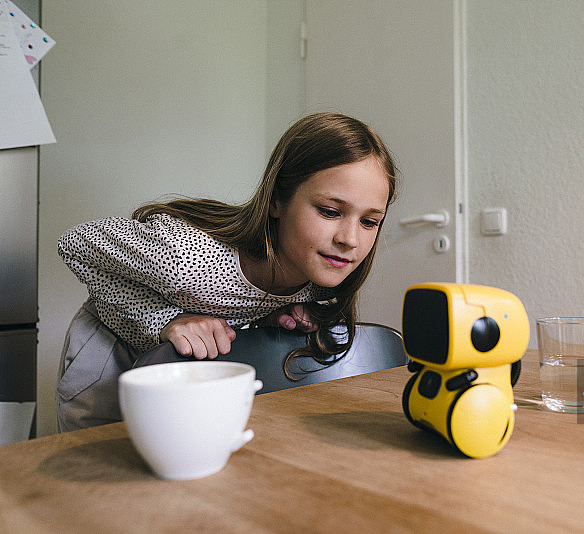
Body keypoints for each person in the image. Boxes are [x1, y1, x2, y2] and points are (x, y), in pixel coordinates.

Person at [56, 112, 398, 432]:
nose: (349, 239)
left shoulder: (320, 274)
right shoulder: (186, 260)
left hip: (185, 368)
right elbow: (73, 244)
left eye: (369, 221)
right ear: (277, 200)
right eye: (329, 211)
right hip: (109, 356)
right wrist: (166, 320)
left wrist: (277, 313)